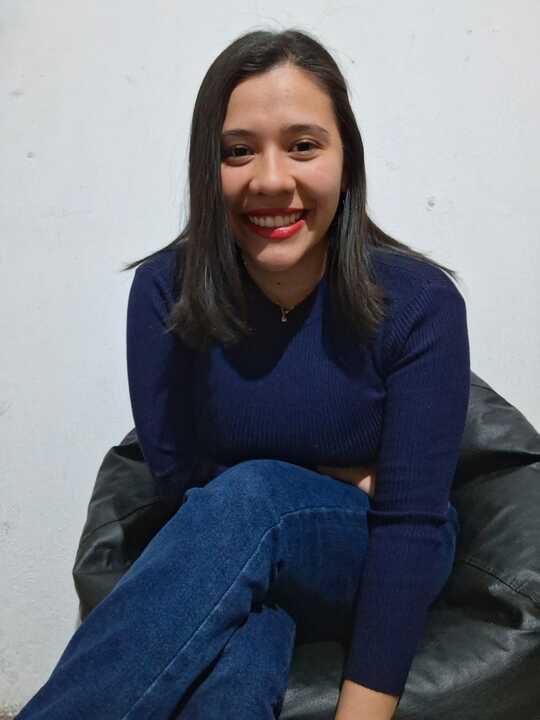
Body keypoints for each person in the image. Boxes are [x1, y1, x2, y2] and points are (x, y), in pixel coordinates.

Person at [17, 27, 469, 720]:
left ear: (346, 159)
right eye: (238, 151)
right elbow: (181, 479)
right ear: (209, 168)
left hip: (379, 548)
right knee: (239, 645)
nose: (271, 180)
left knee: (251, 497)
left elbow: (409, 519)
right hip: (234, 551)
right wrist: (341, 474)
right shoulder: (165, 293)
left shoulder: (418, 303)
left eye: (303, 145)